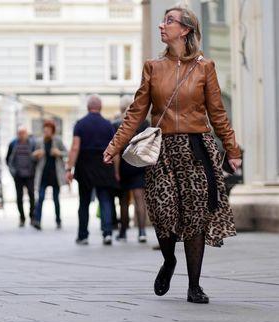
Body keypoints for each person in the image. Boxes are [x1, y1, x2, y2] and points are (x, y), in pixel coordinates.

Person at [103, 6, 241, 304]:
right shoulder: (153, 66)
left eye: (169, 21)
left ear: (185, 29)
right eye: (163, 20)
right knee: (162, 212)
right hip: (162, 149)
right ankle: (168, 260)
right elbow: (135, 112)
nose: (161, 26)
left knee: (196, 216)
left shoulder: (206, 67)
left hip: (196, 148)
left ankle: (194, 285)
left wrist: (231, 148)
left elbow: (217, 113)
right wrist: (114, 145)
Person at [66, 95, 118, 245]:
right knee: (105, 200)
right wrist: (116, 171)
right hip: (104, 165)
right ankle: (107, 233)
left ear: (88, 107)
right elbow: (114, 150)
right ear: (100, 107)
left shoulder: (80, 124)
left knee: (84, 202)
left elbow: (75, 147)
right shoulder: (108, 125)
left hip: (85, 166)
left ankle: (83, 235)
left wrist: (69, 168)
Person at [114, 95, 150, 243]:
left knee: (123, 200)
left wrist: (116, 172)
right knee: (139, 199)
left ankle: (123, 232)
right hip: (139, 165)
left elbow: (115, 151)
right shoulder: (144, 123)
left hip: (124, 165)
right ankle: (141, 232)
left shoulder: (117, 124)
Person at [32, 120, 66, 230]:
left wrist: (59, 153)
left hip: (55, 175)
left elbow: (67, 152)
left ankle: (58, 220)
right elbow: (32, 156)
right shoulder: (39, 142)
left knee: (56, 199)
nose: (46, 131)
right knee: (40, 197)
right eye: (45, 129)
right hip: (43, 175)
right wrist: (36, 154)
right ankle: (37, 220)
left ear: (52, 131)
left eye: (48, 130)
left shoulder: (58, 141)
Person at [5, 126, 36, 227]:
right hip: (18, 175)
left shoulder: (32, 143)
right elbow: (8, 159)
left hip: (30, 175)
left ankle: (32, 216)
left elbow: (36, 158)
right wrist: (13, 172)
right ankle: (22, 217)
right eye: (20, 133)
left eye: (23, 133)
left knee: (32, 196)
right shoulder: (13, 144)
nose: (22, 135)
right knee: (19, 197)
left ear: (26, 133)